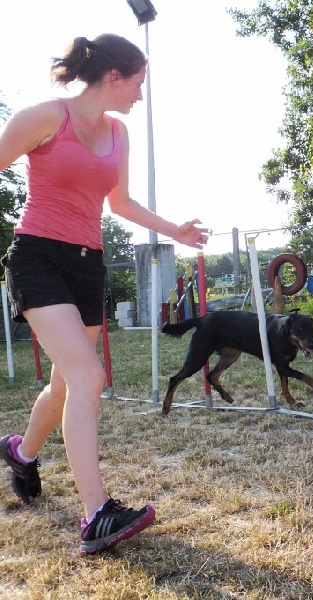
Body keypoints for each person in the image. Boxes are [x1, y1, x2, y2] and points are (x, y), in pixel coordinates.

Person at [0, 34, 209, 555]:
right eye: (138, 82)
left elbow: (122, 203)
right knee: (89, 377)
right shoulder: (46, 117)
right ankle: (96, 514)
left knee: (66, 385)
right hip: (38, 259)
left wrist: (175, 231)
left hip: (87, 266)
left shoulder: (118, 133)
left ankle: (22, 452)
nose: (140, 93)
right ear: (114, 76)